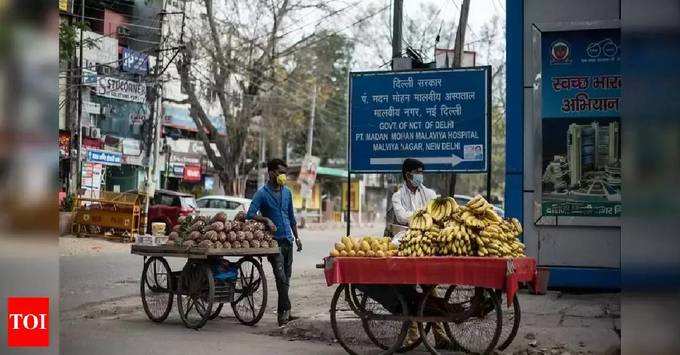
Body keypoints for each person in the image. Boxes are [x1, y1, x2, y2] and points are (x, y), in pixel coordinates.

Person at [246, 158, 302, 326]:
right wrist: (266, 220)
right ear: (271, 173)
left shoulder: (287, 193)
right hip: (273, 243)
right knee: (280, 278)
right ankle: (287, 311)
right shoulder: (262, 193)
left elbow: (292, 218)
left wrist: (297, 238)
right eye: (280, 172)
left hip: (288, 241)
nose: (283, 175)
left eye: (285, 173)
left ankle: (282, 315)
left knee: (286, 279)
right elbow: (249, 214)